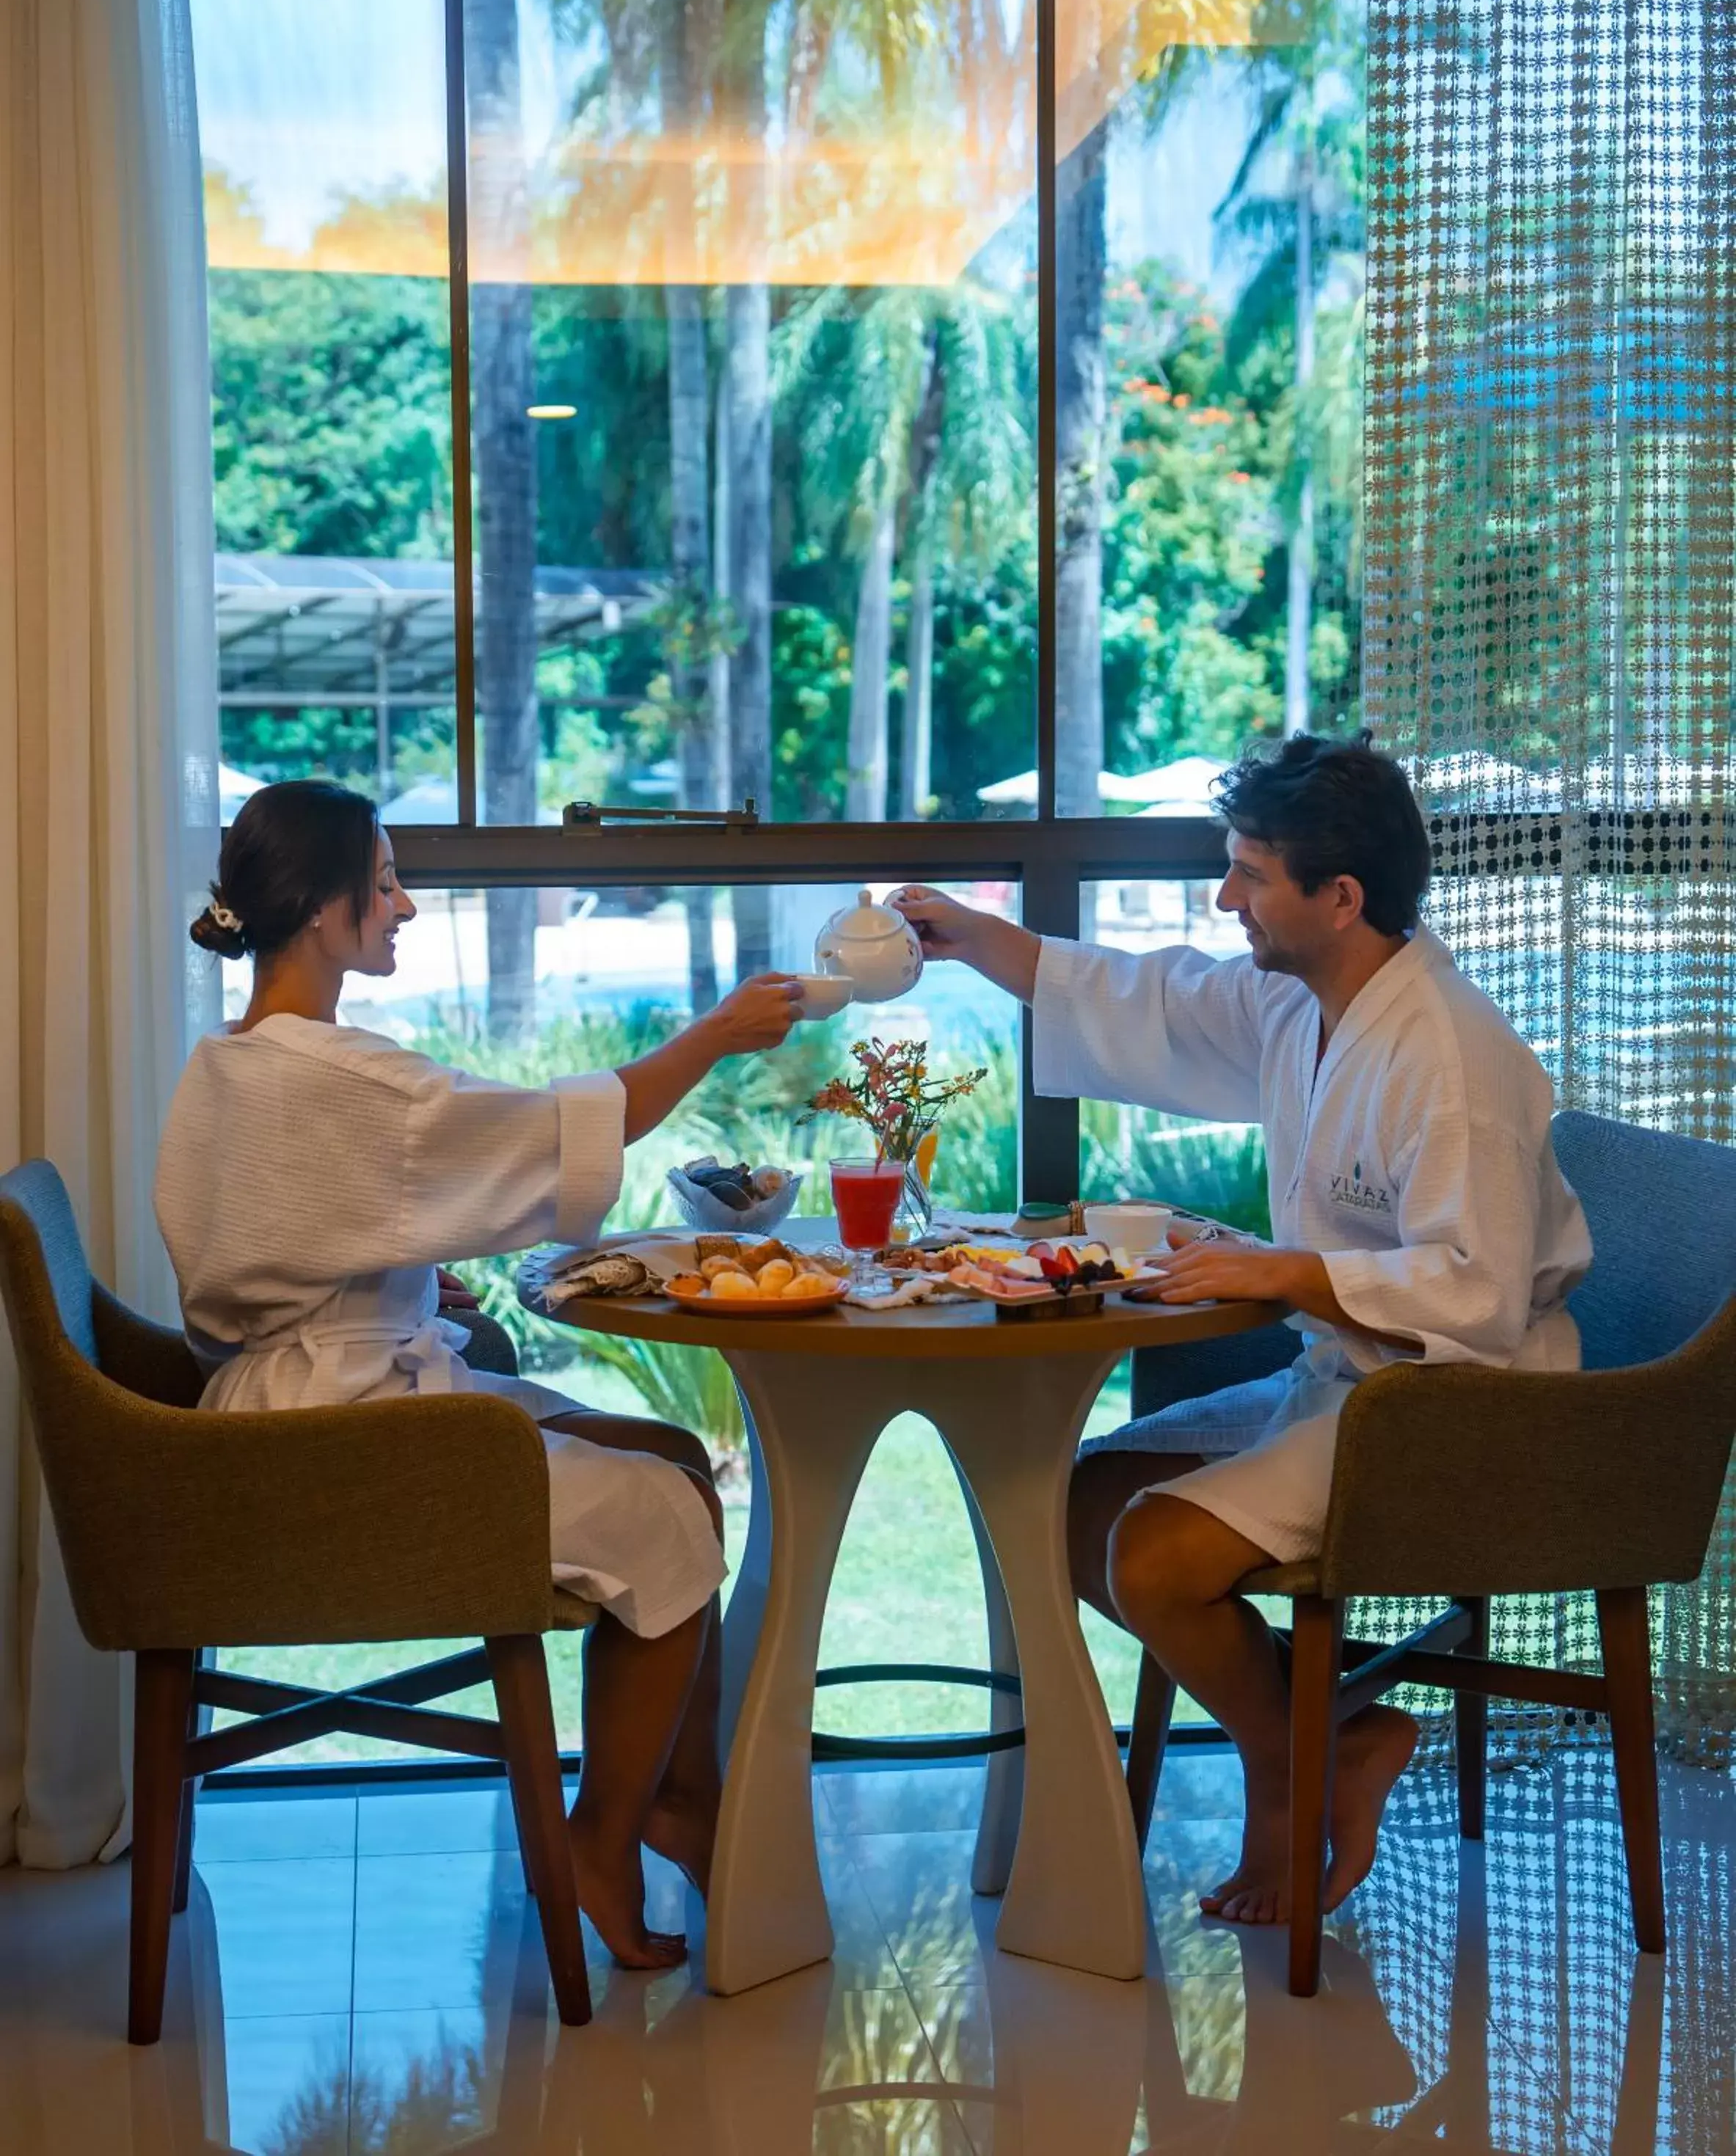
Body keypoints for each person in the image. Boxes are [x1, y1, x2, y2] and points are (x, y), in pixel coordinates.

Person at [893, 734, 1591, 1926]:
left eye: (1248, 875)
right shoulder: (1302, 998)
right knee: (1072, 1514)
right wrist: (976, 936)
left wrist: (1282, 1271)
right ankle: (1338, 1735)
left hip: (1461, 1407)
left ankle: (1290, 1761)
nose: (1225, 900)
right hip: (1349, 1377)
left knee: (1156, 1555)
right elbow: (1153, 1000)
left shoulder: (1451, 1060)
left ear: (1340, 897)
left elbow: (1473, 1292)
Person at [156, 779, 806, 1970]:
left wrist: (386, 1284)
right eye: (387, 881)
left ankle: (680, 1798)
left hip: (271, 1417)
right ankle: (608, 1837)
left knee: (671, 1460)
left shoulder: (225, 1066)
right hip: (344, 1451)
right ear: (317, 906)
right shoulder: (344, 1079)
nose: (404, 905)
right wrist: (715, 1034)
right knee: (671, 1511)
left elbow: (249, 1264)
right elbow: (566, 1125)